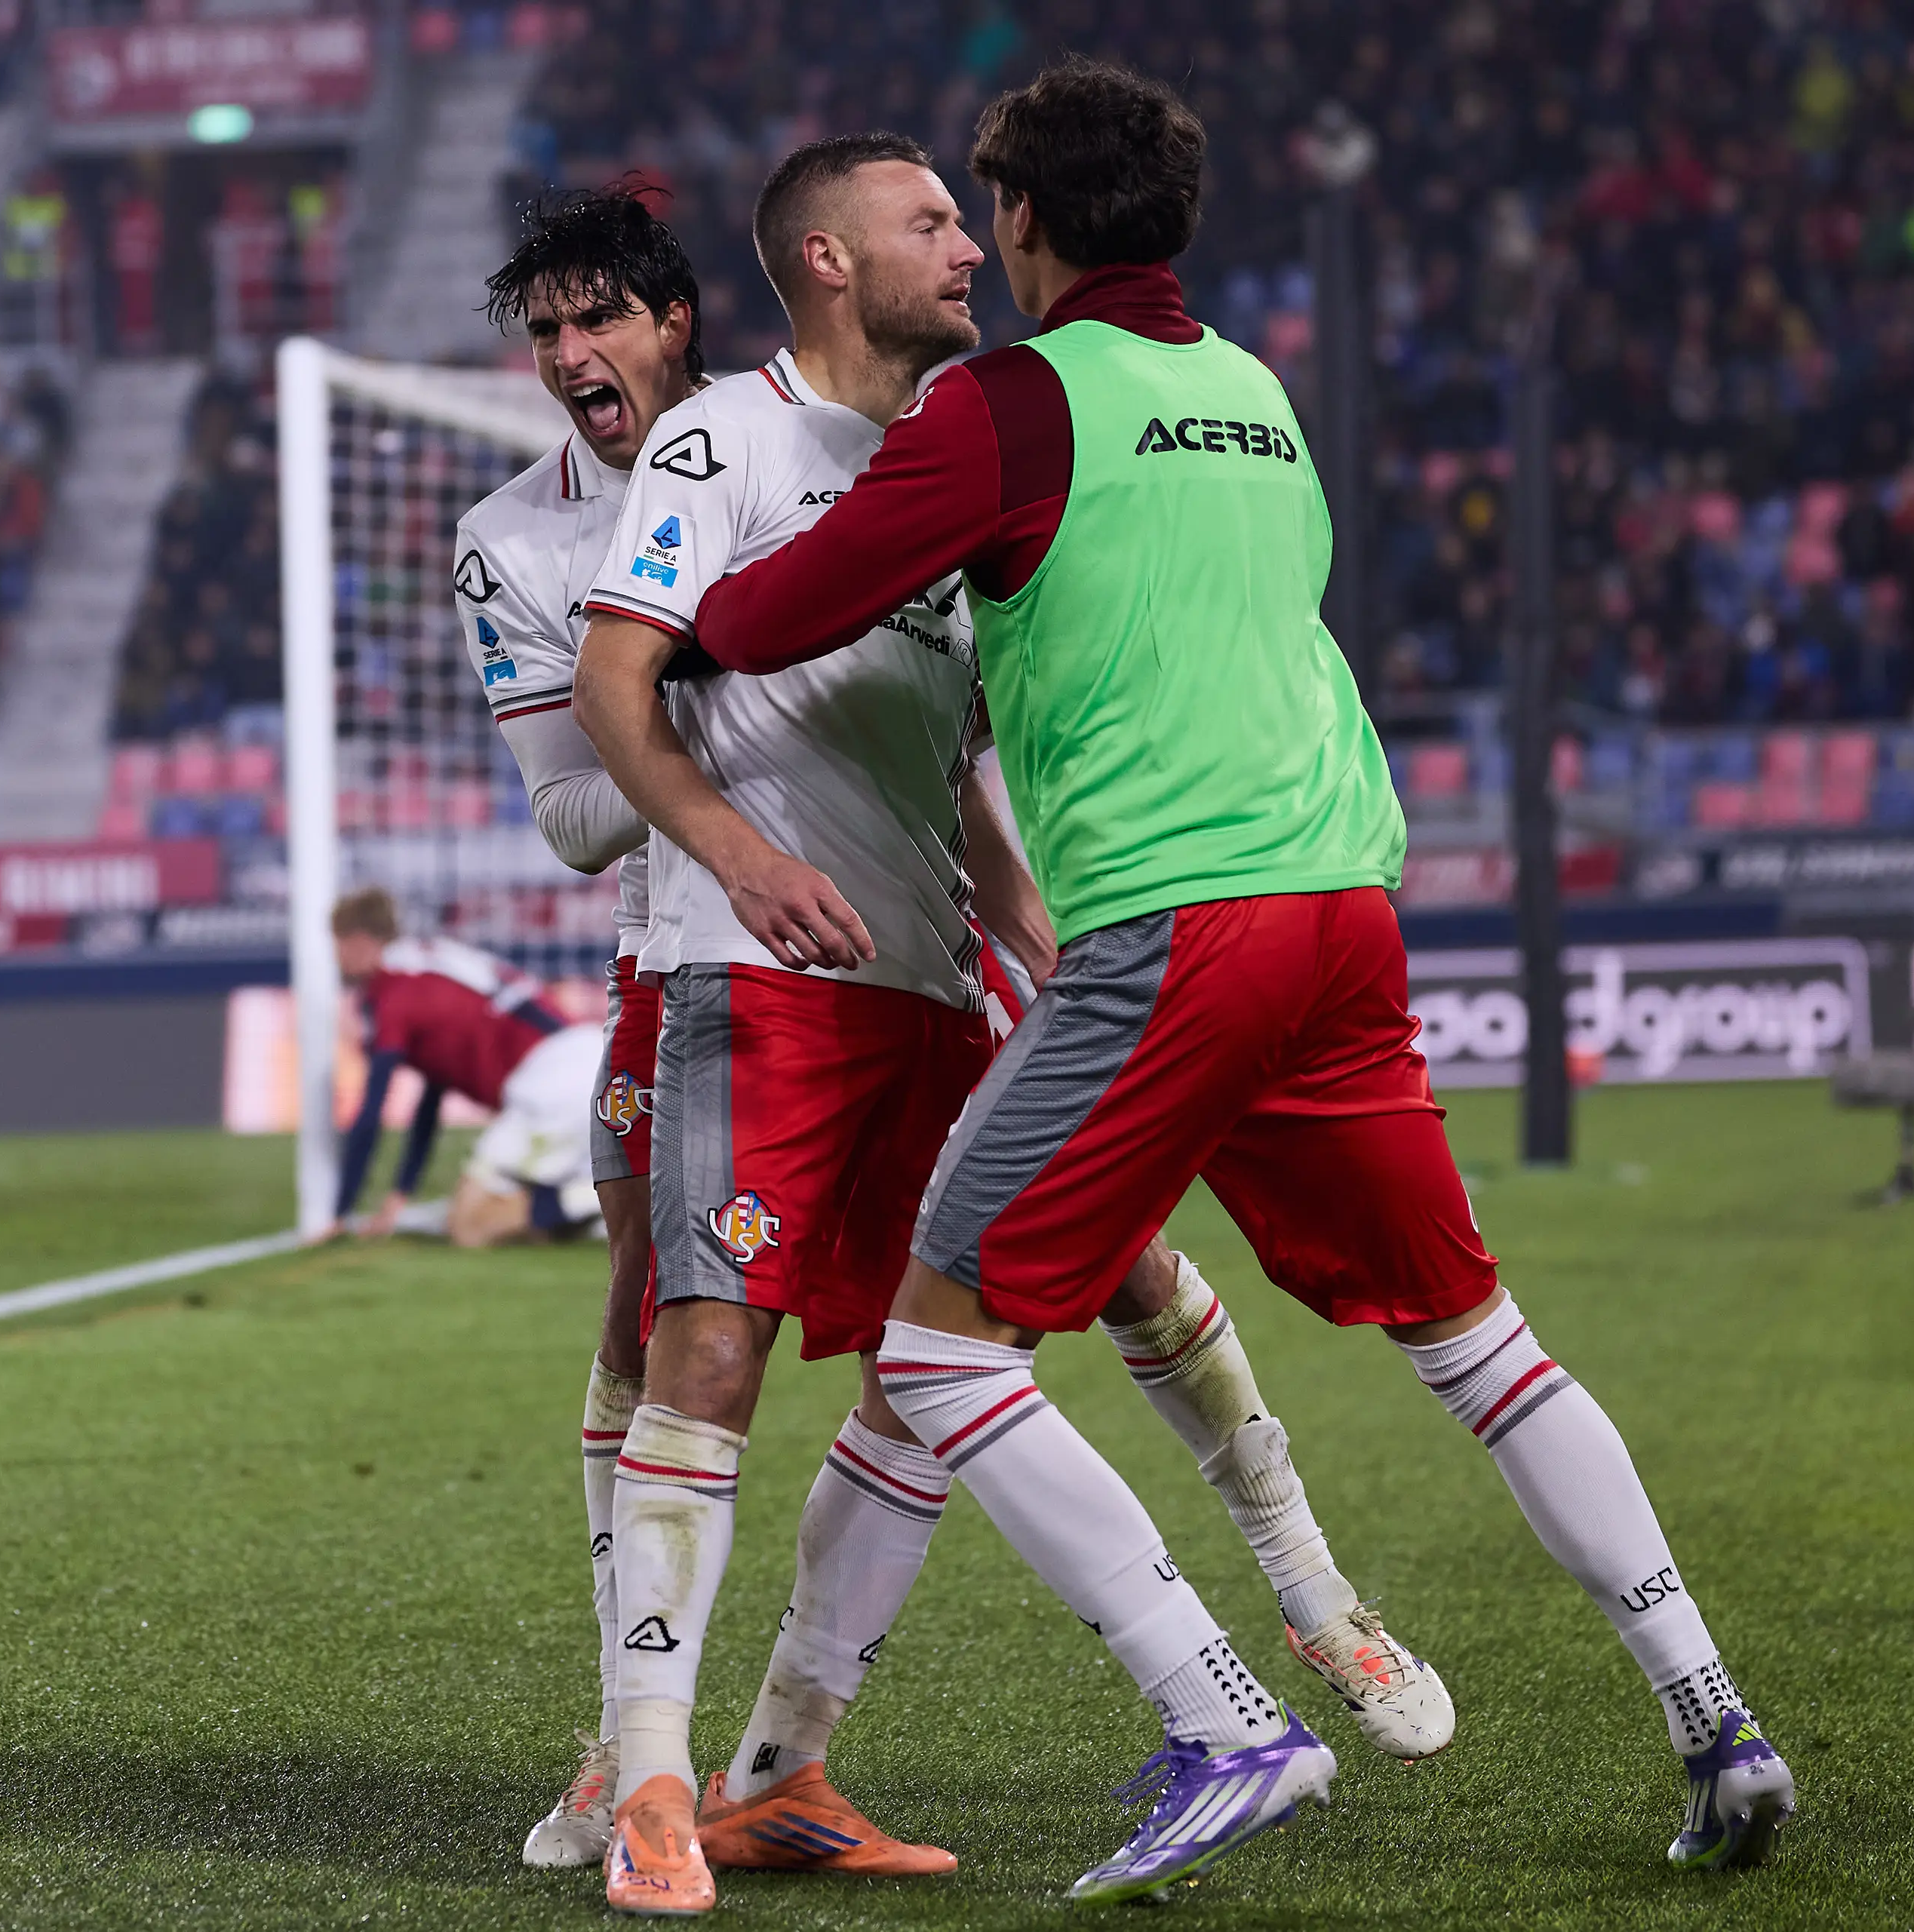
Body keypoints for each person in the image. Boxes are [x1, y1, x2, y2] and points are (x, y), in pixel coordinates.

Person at [687, 58, 1798, 1887]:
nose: (975, 245)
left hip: (1176, 925)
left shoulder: (1006, 406)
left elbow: (764, 617)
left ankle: (1220, 1711)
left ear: (1029, 222)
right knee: (1481, 1344)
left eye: (984, 214)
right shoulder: (1249, 393)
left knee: (933, 1342)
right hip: (1340, 916)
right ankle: (1710, 1713)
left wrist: (679, 612)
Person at [575, 132, 1439, 1918]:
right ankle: (647, 1777)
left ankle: (789, 1760)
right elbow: (619, 676)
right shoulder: (717, 442)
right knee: (713, 1346)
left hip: (927, 977)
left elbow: (947, 751)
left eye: (970, 219)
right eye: (927, 223)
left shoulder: (960, 448)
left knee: (998, 1330)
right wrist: (735, 854)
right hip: (752, 979)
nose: (970, 249)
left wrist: (1030, 924)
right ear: (824, 259)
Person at [449, 187, 706, 1868]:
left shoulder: (812, 445)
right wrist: (678, 681)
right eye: (547, 330)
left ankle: (1301, 1603)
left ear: (676, 317)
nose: (569, 354)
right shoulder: (512, 535)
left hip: (916, 922)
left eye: (598, 317)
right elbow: (570, 817)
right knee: (651, 1319)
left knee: (1079, 1279)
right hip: (684, 954)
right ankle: (635, 1740)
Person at [327, 889, 602, 1247]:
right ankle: (579, 1204)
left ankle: (601, 1198)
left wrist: (339, 1213)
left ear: (359, 942)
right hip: (584, 1058)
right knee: (511, 1217)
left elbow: (373, 1106)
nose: (334, 958)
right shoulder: (427, 964)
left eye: (337, 945)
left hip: (554, 1086)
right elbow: (431, 1097)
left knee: (470, 1225)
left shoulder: (393, 992)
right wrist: (399, 1195)